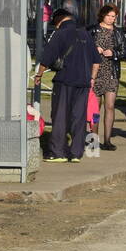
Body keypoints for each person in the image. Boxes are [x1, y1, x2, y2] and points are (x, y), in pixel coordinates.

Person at [34, 9, 98, 163]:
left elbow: (47, 57)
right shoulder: (85, 34)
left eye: (55, 24)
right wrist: (92, 78)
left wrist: (39, 74)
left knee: (60, 116)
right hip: (83, 82)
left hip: (65, 81)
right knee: (79, 117)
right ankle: (76, 153)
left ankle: (58, 152)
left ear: (59, 21)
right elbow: (96, 60)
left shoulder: (60, 34)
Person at [89, 4, 126, 151]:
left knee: (110, 107)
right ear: (102, 15)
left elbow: (125, 50)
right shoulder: (92, 30)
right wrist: (93, 49)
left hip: (111, 73)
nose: (111, 19)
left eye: (114, 16)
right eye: (109, 16)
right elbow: (83, 47)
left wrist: (114, 53)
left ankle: (108, 140)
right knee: (95, 109)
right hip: (95, 73)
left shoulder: (118, 32)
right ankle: (93, 139)